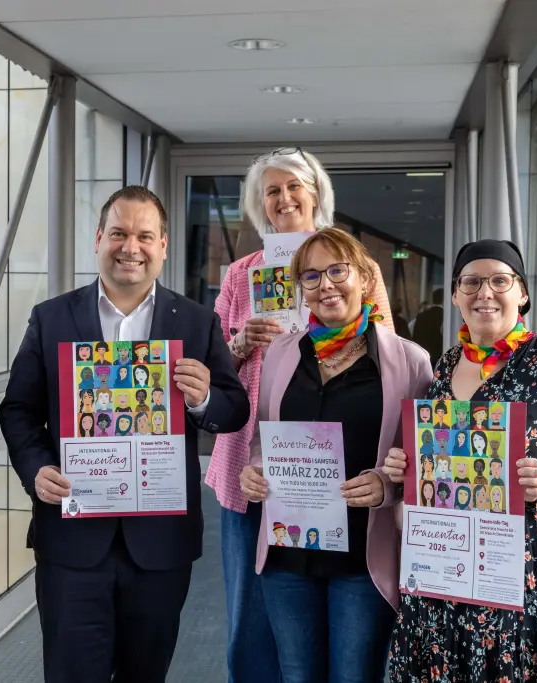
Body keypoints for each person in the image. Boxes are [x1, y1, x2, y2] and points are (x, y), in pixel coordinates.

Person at [0, 185, 249, 683]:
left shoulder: (198, 322)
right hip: (71, 539)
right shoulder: (51, 318)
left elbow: (234, 409)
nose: (129, 246)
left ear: (162, 245)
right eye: (118, 233)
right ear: (98, 239)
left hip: (160, 545)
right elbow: (18, 410)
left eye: (143, 235)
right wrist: (36, 469)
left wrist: (202, 398)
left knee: (145, 674)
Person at [383, 239, 537, 682]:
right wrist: (409, 470)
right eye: (472, 281)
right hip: (447, 564)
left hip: (525, 573)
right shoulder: (443, 368)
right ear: (457, 294)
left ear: (521, 292)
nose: (485, 292)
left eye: (499, 280)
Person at [207, 147, 396, 682]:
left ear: (316, 194)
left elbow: (387, 353)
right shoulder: (243, 276)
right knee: (251, 615)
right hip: (254, 467)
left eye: (294, 186)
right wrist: (240, 343)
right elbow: (211, 362)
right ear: (259, 205)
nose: (284, 198)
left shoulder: (357, 268)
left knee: (339, 615)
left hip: (335, 464)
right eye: (271, 191)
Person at [239, 228, 432, 683]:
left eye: (336, 270)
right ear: (301, 291)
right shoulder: (281, 354)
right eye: (310, 276)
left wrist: (388, 487)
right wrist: (255, 473)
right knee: (297, 676)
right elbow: (263, 442)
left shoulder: (411, 362)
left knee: (353, 676)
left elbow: (426, 464)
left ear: (364, 278)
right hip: (289, 552)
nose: (325, 285)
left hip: (361, 558)